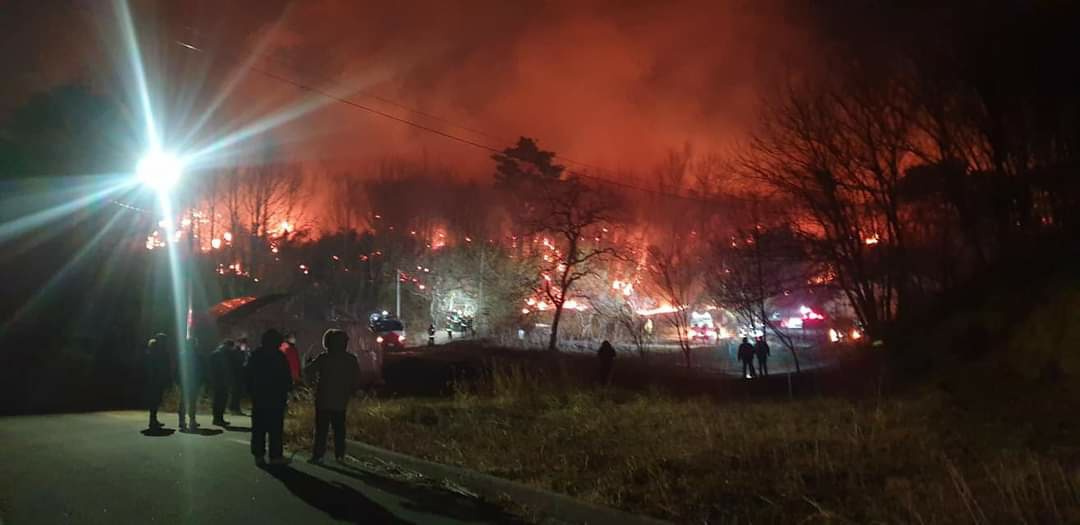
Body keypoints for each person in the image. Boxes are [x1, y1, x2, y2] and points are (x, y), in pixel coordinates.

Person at [306, 329, 361, 464]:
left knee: (321, 430)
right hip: (341, 400)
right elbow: (356, 379)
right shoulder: (351, 359)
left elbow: (309, 371)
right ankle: (339, 455)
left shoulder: (324, 358)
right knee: (339, 429)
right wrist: (353, 390)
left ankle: (318, 455)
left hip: (323, 399)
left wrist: (311, 382)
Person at [246, 329, 293, 466]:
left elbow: (248, 375)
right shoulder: (279, 357)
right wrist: (288, 390)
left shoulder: (256, 355)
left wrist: (250, 391)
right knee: (275, 428)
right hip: (276, 397)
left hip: (259, 396)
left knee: (258, 427)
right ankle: (275, 456)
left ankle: (258, 455)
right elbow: (286, 377)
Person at [144, 333, 172, 429]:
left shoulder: (155, 351)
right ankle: (152, 420)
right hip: (156, 380)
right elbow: (155, 367)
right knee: (155, 400)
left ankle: (153, 419)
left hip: (156, 379)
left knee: (156, 400)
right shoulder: (157, 352)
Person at [176, 338, 204, 431]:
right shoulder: (197, 355)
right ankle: (191, 421)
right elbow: (201, 370)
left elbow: (177, 370)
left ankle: (183, 421)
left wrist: (178, 381)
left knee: (184, 402)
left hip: (186, 382)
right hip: (192, 382)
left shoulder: (183, 355)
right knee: (191, 402)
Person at [209, 340, 235, 426]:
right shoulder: (220, 354)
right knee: (219, 400)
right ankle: (218, 418)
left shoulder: (218, 353)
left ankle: (219, 418)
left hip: (220, 381)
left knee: (220, 400)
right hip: (220, 381)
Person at [228, 337, 248, 415]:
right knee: (235, 392)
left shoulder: (239, 351)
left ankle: (234, 407)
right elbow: (239, 361)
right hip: (235, 374)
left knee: (237, 392)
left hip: (239, 374)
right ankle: (234, 408)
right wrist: (243, 353)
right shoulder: (236, 351)